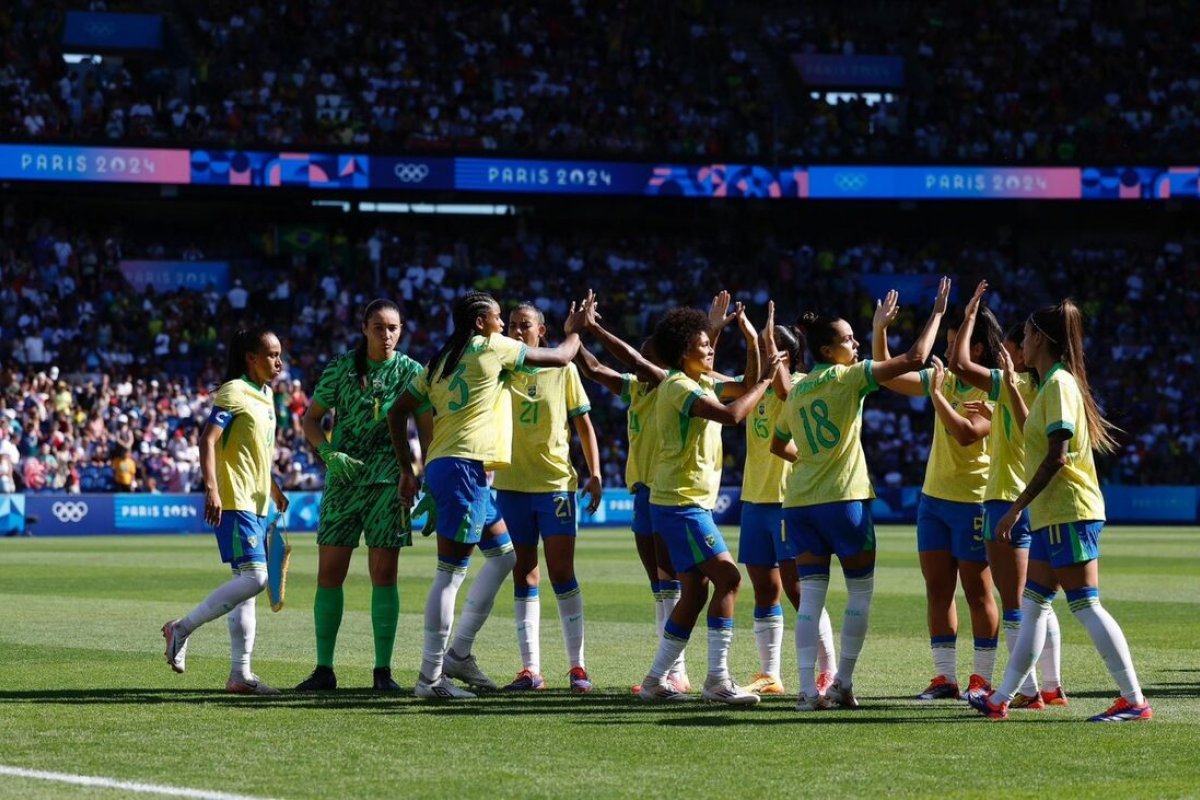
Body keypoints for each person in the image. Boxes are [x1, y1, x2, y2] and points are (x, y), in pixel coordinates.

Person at [388, 290, 593, 699]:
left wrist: (409, 468)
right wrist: (575, 331)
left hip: (457, 468)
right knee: (450, 574)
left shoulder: (441, 359)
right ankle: (431, 679)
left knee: (507, 556)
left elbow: (398, 410)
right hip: (465, 468)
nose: (504, 325)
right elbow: (561, 357)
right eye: (499, 317)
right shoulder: (493, 347)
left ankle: (460, 651)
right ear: (481, 322)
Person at [971, 300, 1152, 722]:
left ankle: (1134, 699)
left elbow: (1057, 456)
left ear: (1043, 340)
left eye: (1029, 335)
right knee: (1033, 606)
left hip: (1069, 510)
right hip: (1054, 516)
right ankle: (1001, 700)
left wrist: (1015, 509)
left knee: (1086, 605)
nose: (1023, 342)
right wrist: (1013, 392)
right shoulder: (1051, 383)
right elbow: (1032, 432)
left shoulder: (1058, 384)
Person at [774, 279, 950, 711]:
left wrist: (811, 461)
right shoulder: (849, 377)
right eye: (849, 339)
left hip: (800, 504)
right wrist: (938, 314)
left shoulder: (795, 391)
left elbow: (779, 445)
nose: (856, 345)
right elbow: (914, 359)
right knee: (859, 594)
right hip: (844, 501)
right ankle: (843, 683)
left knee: (810, 600)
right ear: (830, 351)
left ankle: (804, 692)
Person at [636, 302, 778, 706]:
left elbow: (745, 382)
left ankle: (654, 681)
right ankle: (717, 680)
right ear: (684, 353)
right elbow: (733, 415)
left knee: (696, 593)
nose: (710, 349)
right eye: (702, 344)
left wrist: (751, 342)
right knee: (730, 579)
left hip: (678, 501)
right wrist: (766, 381)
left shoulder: (698, 381)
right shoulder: (681, 387)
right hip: (682, 504)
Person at [873, 284, 1000, 701]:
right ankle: (945, 677)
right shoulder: (942, 378)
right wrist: (880, 330)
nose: (947, 351)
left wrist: (937, 394)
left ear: (977, 349)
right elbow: (887, 373)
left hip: (973, 499)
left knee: (978, 591)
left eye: (954, 342)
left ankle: (980, 679)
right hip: (934, 499)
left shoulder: (990, 388)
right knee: (937, 589)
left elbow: (966, 435)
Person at [948, 281, 1066, 708]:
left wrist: (967, 319)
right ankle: (1051, 686)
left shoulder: (1009, 384)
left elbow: (959, 364)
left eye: (1018, 347)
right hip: (1038, 501)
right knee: (1040, 600)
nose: (1017, 353)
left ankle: (1027, 691)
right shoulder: (1047, 387)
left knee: (1017, 604)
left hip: (1006, 499)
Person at [295, 299, 423, 692]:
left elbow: (428, 430)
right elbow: (310, 419)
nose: (387, 335)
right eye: (380, 327)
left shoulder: (412, 372)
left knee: (384, 576)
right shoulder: (340, 369)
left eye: (394, 328)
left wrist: (421, 475)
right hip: (343, 484)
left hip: (390, 484)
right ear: (364, 328)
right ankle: (323, 670)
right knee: (329, 575)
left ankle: (382, 672)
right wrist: (329, 453)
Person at [161, 327, 289, 694]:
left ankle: (240, 675)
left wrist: (275, 488)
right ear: (251, 358)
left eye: (280, 354)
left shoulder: (265, 394)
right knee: (256, 579)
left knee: (245, 588)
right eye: (271, 354)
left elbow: (257, 451)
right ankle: (180, 628)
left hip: (258, 500)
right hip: (235, 500)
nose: (278, 361)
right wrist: (212, 489)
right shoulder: (234, 390)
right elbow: (208, 439)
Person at [493, 302, 603, 692]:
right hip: (510, 485)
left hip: (556, 485)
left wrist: (595, 472)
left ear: (541, 331)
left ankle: (577, 667)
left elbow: (584, 424)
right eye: (511, 326)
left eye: (525, 326)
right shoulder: (500, 369)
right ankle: (530, 669)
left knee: (561, 573)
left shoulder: (564, 369)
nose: (517, 331)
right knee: (523, 571)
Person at [740, 303, 836, 696]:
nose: (764, 353)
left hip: (785, 500)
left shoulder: (798, 384)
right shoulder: (754, 385)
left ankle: (828, 669)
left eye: (772, 348)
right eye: (763, 348)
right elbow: (749, 379)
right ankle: (771, 674)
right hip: (753, 498)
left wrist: (770, 353)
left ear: (790, 355)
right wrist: (751, 336)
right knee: (764, 588)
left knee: (798, 589)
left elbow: (783, 389)